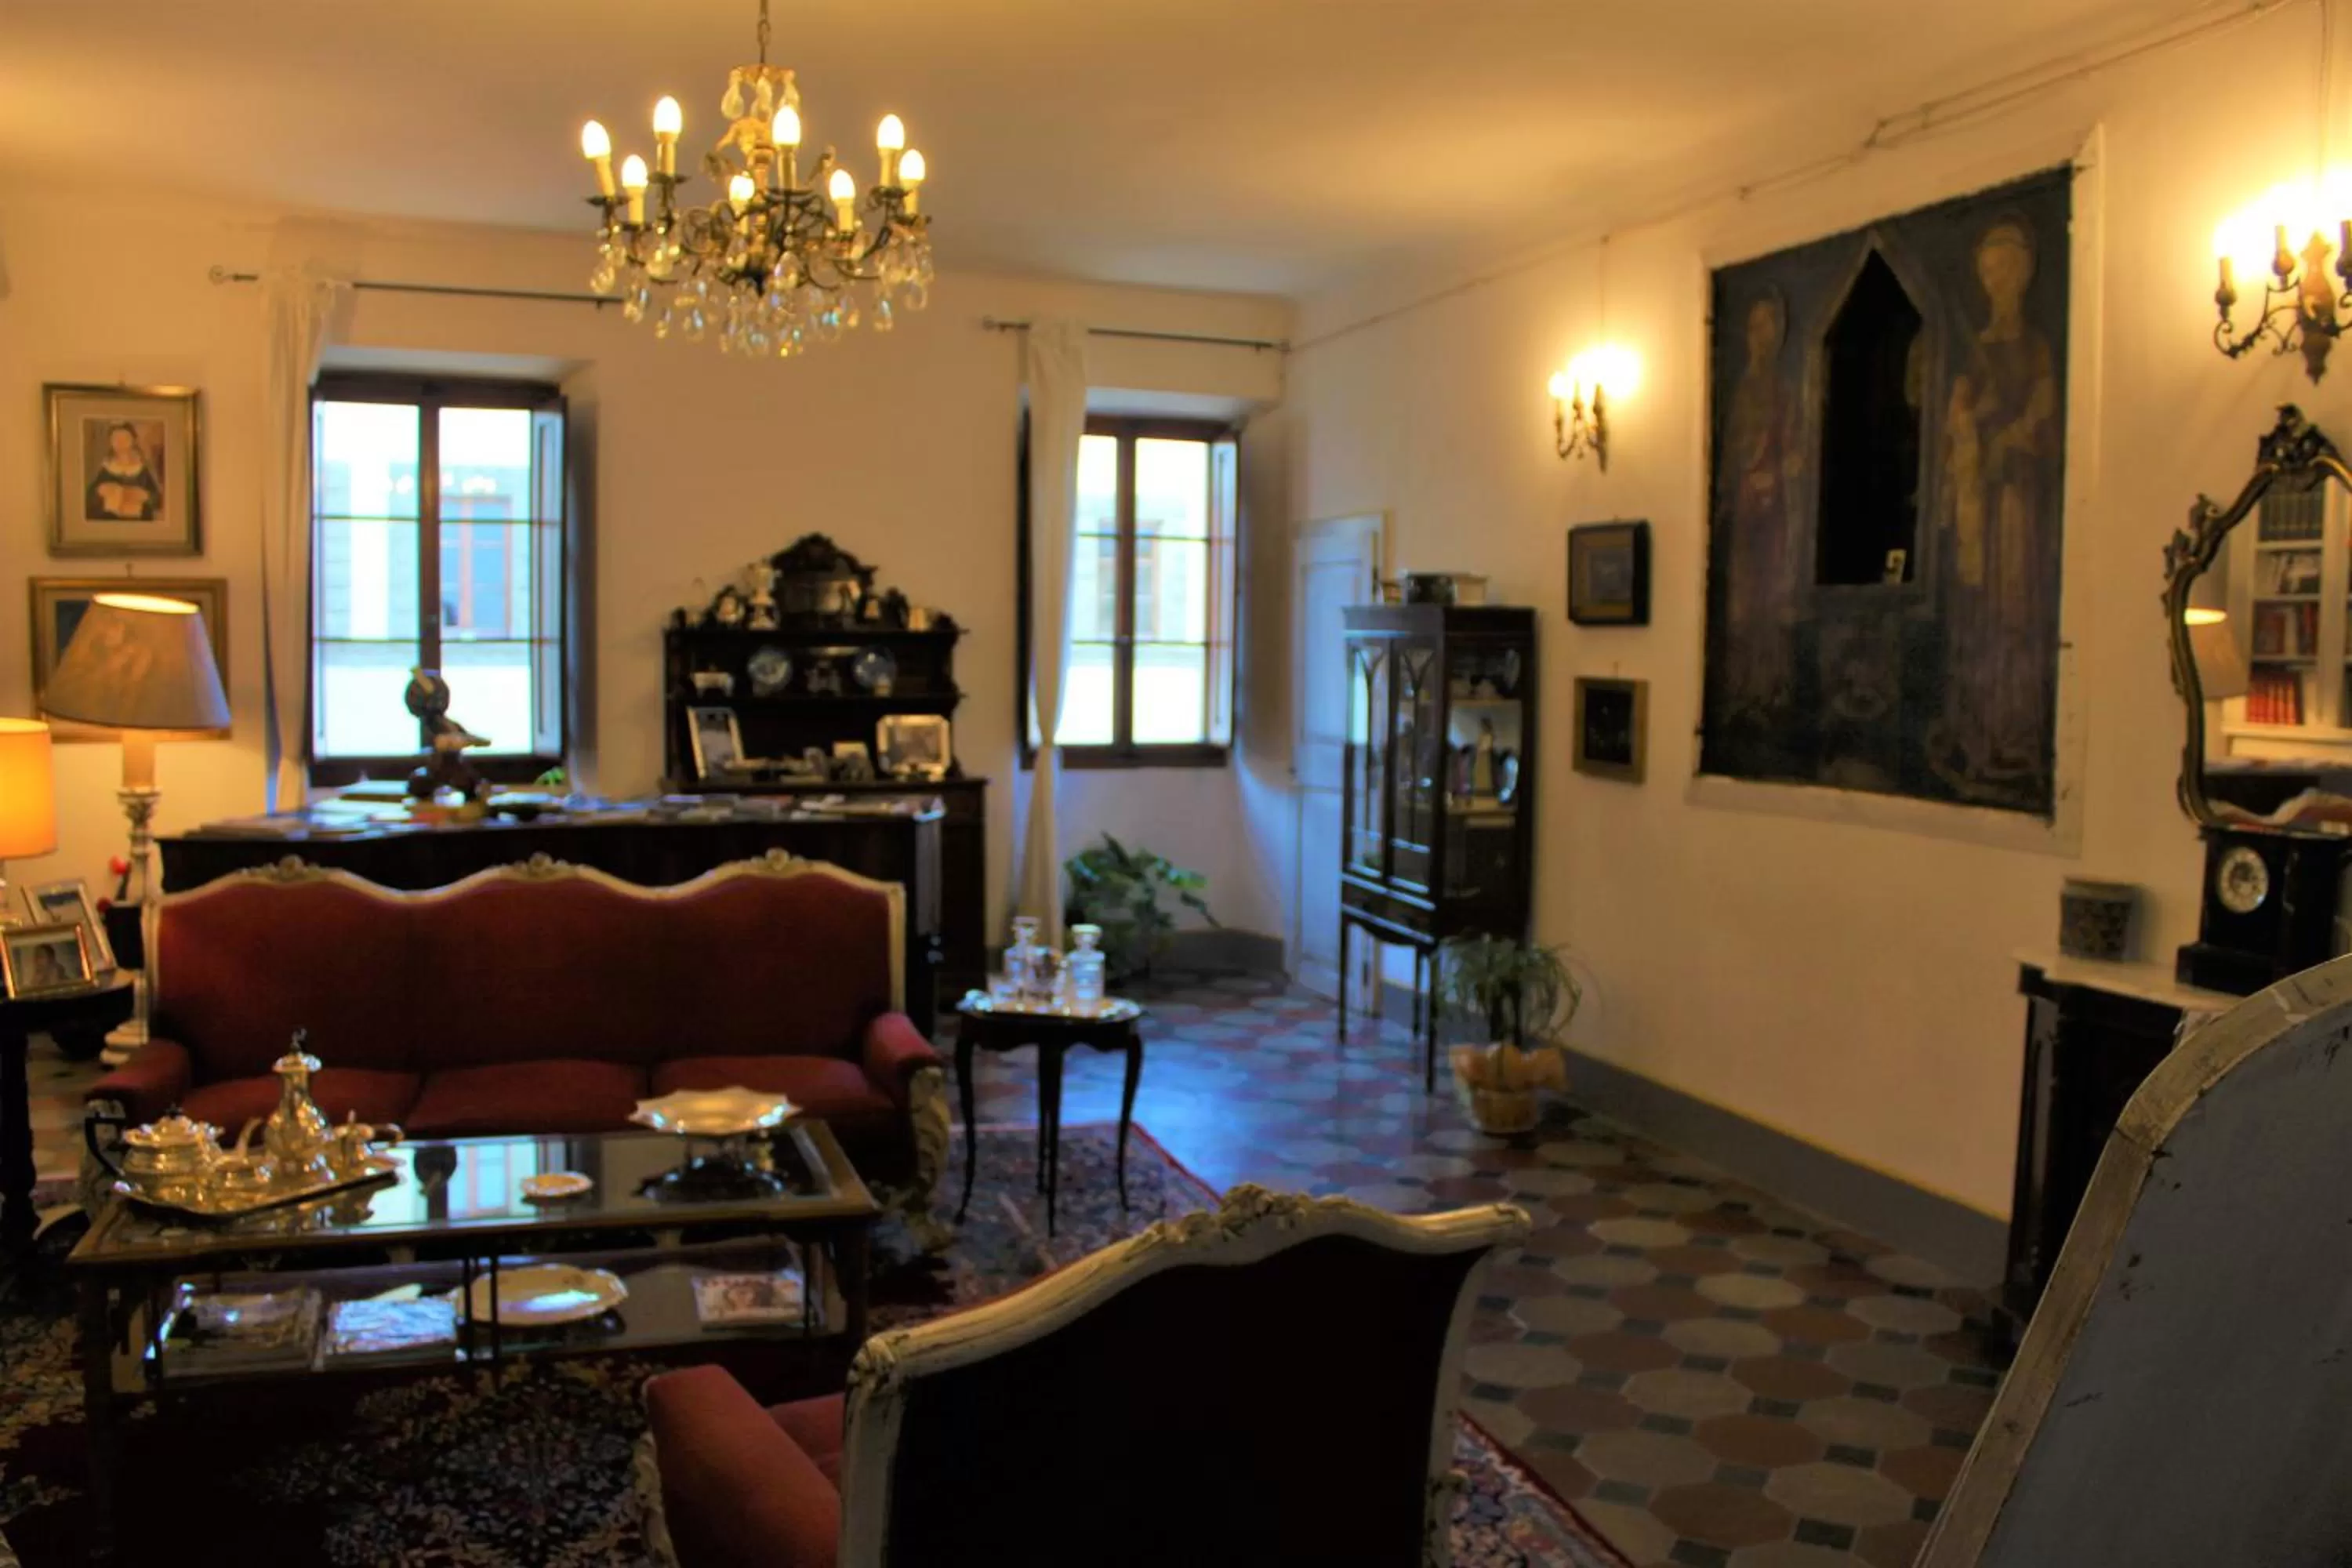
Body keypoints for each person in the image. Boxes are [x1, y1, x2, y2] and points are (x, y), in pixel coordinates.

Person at [1936, 217, 2060, 790]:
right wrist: (1970, 421)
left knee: (2014, 611)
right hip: (1977, 508)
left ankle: (2013, 734)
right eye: (1989, 273)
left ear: (2023, 276)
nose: (1997, 282)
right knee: (1978, 614)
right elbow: (1953, 429)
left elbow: (2043, 416)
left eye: (2006, 271)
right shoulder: (1973, 358)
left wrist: (2012, 435)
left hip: (2014, 503)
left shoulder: (2035, 350)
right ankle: (1975, 730)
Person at [85, 421, 163, 521]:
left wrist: (145, 496)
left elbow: (158, 500)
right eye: (116, 439)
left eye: (125, 439)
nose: (120, 443)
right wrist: (100, 491)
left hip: (138, 523)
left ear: (133, 441)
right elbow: (88, 500)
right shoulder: (104, 467)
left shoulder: (144, 468)